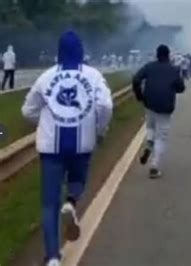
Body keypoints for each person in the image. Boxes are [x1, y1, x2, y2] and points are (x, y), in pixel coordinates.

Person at [21, 31, 113, 266]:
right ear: (82, 51)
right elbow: (104, 105)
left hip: (51, 146)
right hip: (83, 143)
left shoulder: (46, 77)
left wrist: (46, 122)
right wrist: (99, 129)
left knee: (48, 203)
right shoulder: (93, 75)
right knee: (78, 180)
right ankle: (71, 202)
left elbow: (27, 111)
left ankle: (52, 257)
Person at [133, 44, 185, 179]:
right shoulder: (174, 70)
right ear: (168, 55)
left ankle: (149, 142)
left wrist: (140, 96)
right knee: (161, 137)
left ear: (157, 55)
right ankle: (154, 166)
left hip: (149, 103)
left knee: (150, 126)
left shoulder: (149, 67)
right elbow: (181, 88)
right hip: (165, 107)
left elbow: (136, 79)